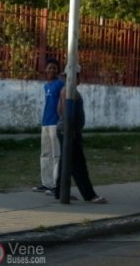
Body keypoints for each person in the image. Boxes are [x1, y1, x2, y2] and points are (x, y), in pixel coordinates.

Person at [51, 64, 107, 204]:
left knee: (66, 163)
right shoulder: (69, 92)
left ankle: (60, 192)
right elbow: (65, 112)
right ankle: (89, 195)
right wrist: (71, 131)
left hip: (66, 130)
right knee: (78, 164)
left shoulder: (67, 90)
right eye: (77, 76)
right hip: (69, 132)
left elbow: (59, 111)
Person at [33, 59, 65, 193]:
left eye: (54, 68)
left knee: (56, 155)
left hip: (55, 123)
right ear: (45, 70)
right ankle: (46, 183)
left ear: (57, 70)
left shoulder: (60, 84)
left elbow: (62, 103)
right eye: (49, 68)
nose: (52, 70)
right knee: (45, 153)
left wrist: (61, 120)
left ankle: (56, 185)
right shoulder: (46, 86)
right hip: (45, 122)